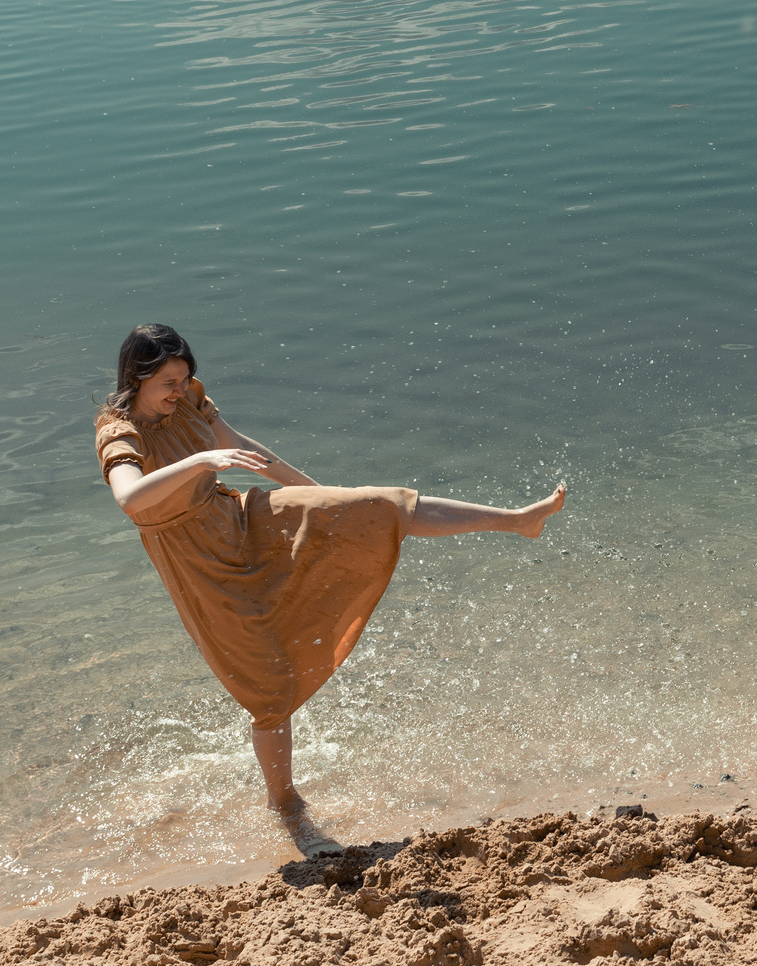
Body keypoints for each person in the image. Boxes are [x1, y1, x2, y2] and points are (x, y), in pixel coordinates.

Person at [93, 324, 564, 816]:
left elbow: (248, 451)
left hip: (240, 519)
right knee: (267, 687)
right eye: (167, 382)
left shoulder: (188, 401)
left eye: (184, 377)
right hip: (198, 560)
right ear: (137, 378)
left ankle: (517, 520)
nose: (178, 389)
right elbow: (129, 498)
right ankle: (283, 800)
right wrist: (202, 461)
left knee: (376, 507)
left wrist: (321, 496)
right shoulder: (118, 429)